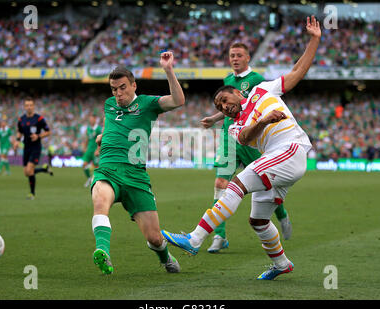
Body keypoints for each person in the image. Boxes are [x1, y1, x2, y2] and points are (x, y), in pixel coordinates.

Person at [162, 16, 321, 280]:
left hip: (290, 149)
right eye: (219, 107)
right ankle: (282, 264)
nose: (223, 107)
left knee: (235, 184)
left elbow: (295, 74)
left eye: (224, 100)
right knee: (258, 220)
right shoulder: (235, 126)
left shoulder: (262, 90)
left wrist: (314, 39)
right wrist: (262, 120)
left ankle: (195, 237)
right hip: (276, 159)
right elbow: (247, 137)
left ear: (238, 93)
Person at [90, 51, 185, 275]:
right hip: (108, 169)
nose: (118, 93)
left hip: (135, 175)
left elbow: (178, 101)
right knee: (100, 202)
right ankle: (102, 251)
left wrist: (169, 70)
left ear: (134, 86)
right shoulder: (109, 105)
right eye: (114, 89)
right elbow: (111, 127)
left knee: (154, 237)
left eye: (122, 87)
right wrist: (102, 138)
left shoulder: (147, 104)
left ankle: (165, 256)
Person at [200, 43, 292, 254]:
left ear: (248, 57)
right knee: (221, 182)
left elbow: (256, 104)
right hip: (230, 137)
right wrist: (215, 118)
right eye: (232, 55)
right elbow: (229, 109)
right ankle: (219, 235)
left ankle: (282, 214)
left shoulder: (257, 80)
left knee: (266, 185)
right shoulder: (228, 81)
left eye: (239, 55)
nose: (235, 58)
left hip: (251, 138)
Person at [14, 97, 53, 200]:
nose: (29, 107)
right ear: (24, 107)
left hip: (36, 147)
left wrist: (38, 136)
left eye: (31, 105)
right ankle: (44, 169)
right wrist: (17, 141)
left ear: (34, 106)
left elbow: (48, 131)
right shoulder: (21, 119)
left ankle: (32, 193)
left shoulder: (39, 119)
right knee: (26, 172)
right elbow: (19, 131)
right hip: (26, 148)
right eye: (27, 105)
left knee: (30, 170)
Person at [82, 114, 103, 187]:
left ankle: (97, 181)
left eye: (92, 119)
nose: (90, 120)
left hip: (95, 150)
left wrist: (98, 149)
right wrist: (84, 147)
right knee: (84, 164)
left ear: (95, 119)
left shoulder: (99, 128)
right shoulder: (88, 128)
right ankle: (89, 178)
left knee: (97, 166)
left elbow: (101, 139)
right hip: (89, 150)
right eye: (89, 119)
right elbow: (87, 138)